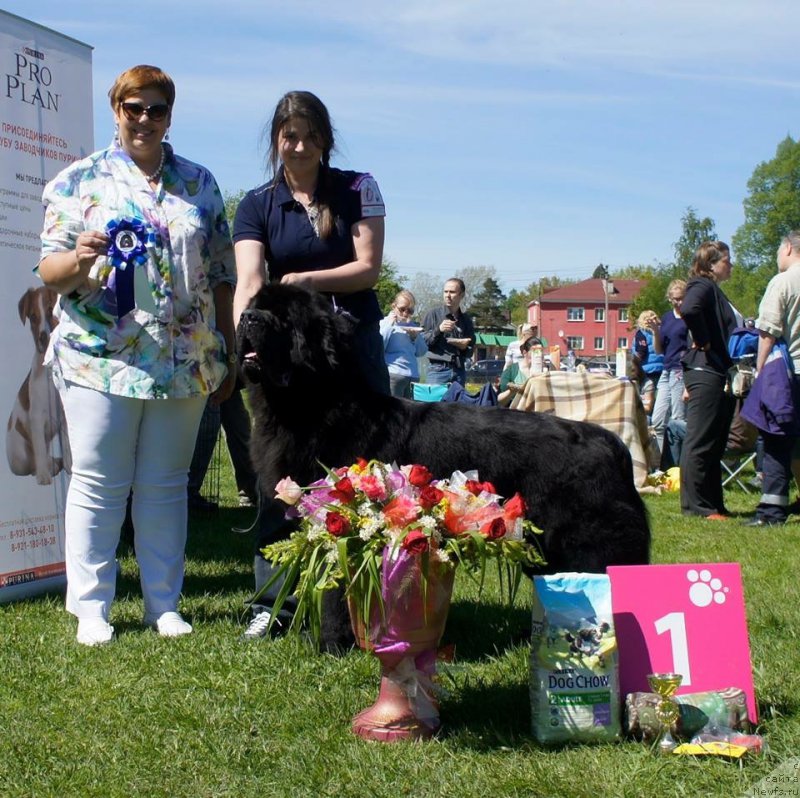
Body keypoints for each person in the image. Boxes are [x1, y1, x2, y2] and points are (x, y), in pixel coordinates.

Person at [37, 65, 236, 645]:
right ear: (115, 109)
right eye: (133, 108)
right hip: (99, 356)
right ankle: (92, 608)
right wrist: (78, 257)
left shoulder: (199, 183)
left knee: (166, 484)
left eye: (156, 109)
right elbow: (50, 270)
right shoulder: (78, 181)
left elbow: (222, 270)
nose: (144, 119)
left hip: (185, 356)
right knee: (99, 482)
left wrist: (225, 343)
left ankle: (163, 605)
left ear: (170, 115)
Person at [232, 90, 389, 639]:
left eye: (308, 136)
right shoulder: (256, 203)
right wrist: (245, 335)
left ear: (325, 139)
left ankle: (364, 602)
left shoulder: (357, 188)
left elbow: (368, 269)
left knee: (362, 480)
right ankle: (269, 600)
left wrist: (305, 281)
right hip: (287, 365)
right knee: (278, 479)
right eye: (288, 135)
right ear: (276, 139)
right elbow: (250, 280)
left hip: (350, 354)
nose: (298, 146)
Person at [744, 232, 800, 526]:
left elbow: (767, 332)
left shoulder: (783, 282)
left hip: (789, 374)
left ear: (788, 247)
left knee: (775, 440)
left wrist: (759, 368)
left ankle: (772, 512)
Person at [679, 241, 737, 519]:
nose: (731, 265)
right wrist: (703, 339)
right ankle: (697, 506)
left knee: (714, 441)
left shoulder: (715, 290)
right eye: (727, 260)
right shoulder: (701, 284)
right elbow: (690, 310)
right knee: (700, 440)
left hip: (715, 371)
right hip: (704, 371)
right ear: (711, 264)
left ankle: (713, 504)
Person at [650, 280, 689, 453]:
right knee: (657, 421)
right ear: (669, 299)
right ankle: (662, 465)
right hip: (666, 370)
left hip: (681, 371)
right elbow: (659, 350)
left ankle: (680, 465)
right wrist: (655, 331)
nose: (678, 302)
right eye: (674, 299)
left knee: (678, 419)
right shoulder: (666, 318)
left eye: (681, 298)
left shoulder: (690, 317)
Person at [422, 278, 475, 385]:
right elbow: (422, 342)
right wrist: (439, 330)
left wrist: (464, 346)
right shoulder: (433, 315)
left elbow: (471, 348)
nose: (448, 295)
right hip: (437, 370)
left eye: (452, 292)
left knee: (457, 402)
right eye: (445, 292)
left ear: (462, 295)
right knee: (434, 402)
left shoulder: (466, 320)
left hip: (459, 370)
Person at [379, 289, 428, 398]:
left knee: (411, 413)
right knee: (394, 412)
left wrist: (415, 337)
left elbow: (422, 352)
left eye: (410, 311)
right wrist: (390, 325)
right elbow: (379, 347)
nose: (405, 313)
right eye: (402, 309)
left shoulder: (413, 326)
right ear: (393, 306)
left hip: (413, 376)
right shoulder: (384, 323)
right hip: (393, 375)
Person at [498, 335, 538, 406]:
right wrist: (511, 392)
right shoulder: (511, 370)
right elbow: (499, 401)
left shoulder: (544, 371)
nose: (538, 354)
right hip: (516, 413)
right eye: (535, 351)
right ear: (525, 353)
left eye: (540, 351)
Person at [632, 309, 664, 387]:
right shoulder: (661, 332)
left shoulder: (641, 334)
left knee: (647, 394)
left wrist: (634, 362)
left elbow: (641, 351)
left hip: (647, 371)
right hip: (662, 368)